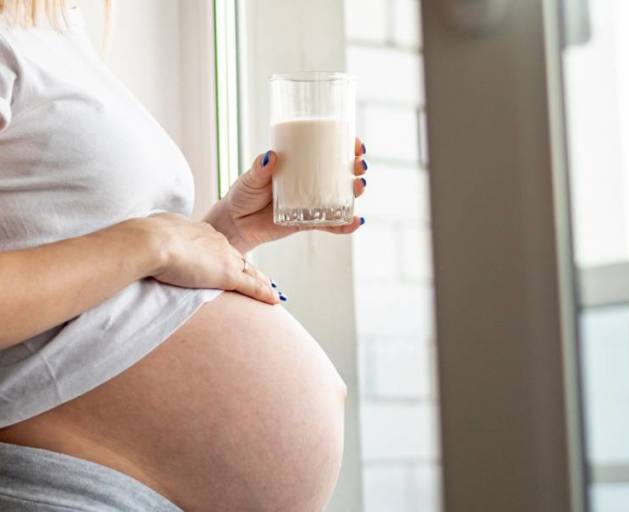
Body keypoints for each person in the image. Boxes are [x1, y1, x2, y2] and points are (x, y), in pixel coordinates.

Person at [0, 1, 369, 510]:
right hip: (79, 483)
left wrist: (224, 235)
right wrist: (154, 242)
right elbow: (136, 247)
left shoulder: (54, 26)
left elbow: (99, 293)